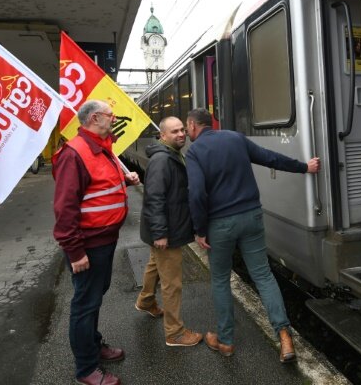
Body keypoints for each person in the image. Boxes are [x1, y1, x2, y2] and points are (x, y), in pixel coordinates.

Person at [185, 108, 320, 363]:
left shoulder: (195, 152)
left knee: (221, 280)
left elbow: (196, 195)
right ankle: (284, 336)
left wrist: (200, 230)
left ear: (192, 125)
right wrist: (304, 167)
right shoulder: (236, 138)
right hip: (251, 216)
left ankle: (225, 341)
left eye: (186, 127)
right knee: (263, 275)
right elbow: (270, 158)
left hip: (219, 224)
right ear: (210, 123)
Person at [53, 100, 140, 385]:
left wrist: (125, 181)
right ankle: (86, 369)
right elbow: (65, 209)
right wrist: (75, 251)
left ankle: (94, 345)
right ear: (94, 118)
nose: (114, 119)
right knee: (85, 303)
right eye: (110, 115)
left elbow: (97, 187)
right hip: (88, 244)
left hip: (103, 240)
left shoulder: (101, 147)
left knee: (94, 297)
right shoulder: (75, 153)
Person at [134, 116, 203, 347]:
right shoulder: (163, 161)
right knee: (172, 283)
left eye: (183, 129)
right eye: (174, 131)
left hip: (170, 226)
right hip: (168, 231)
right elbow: (154, 198)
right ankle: (174, 333)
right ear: (163, 135)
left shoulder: (171, 155)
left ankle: (145, 301)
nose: (181, 134)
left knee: (154, 265)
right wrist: (160, 233)